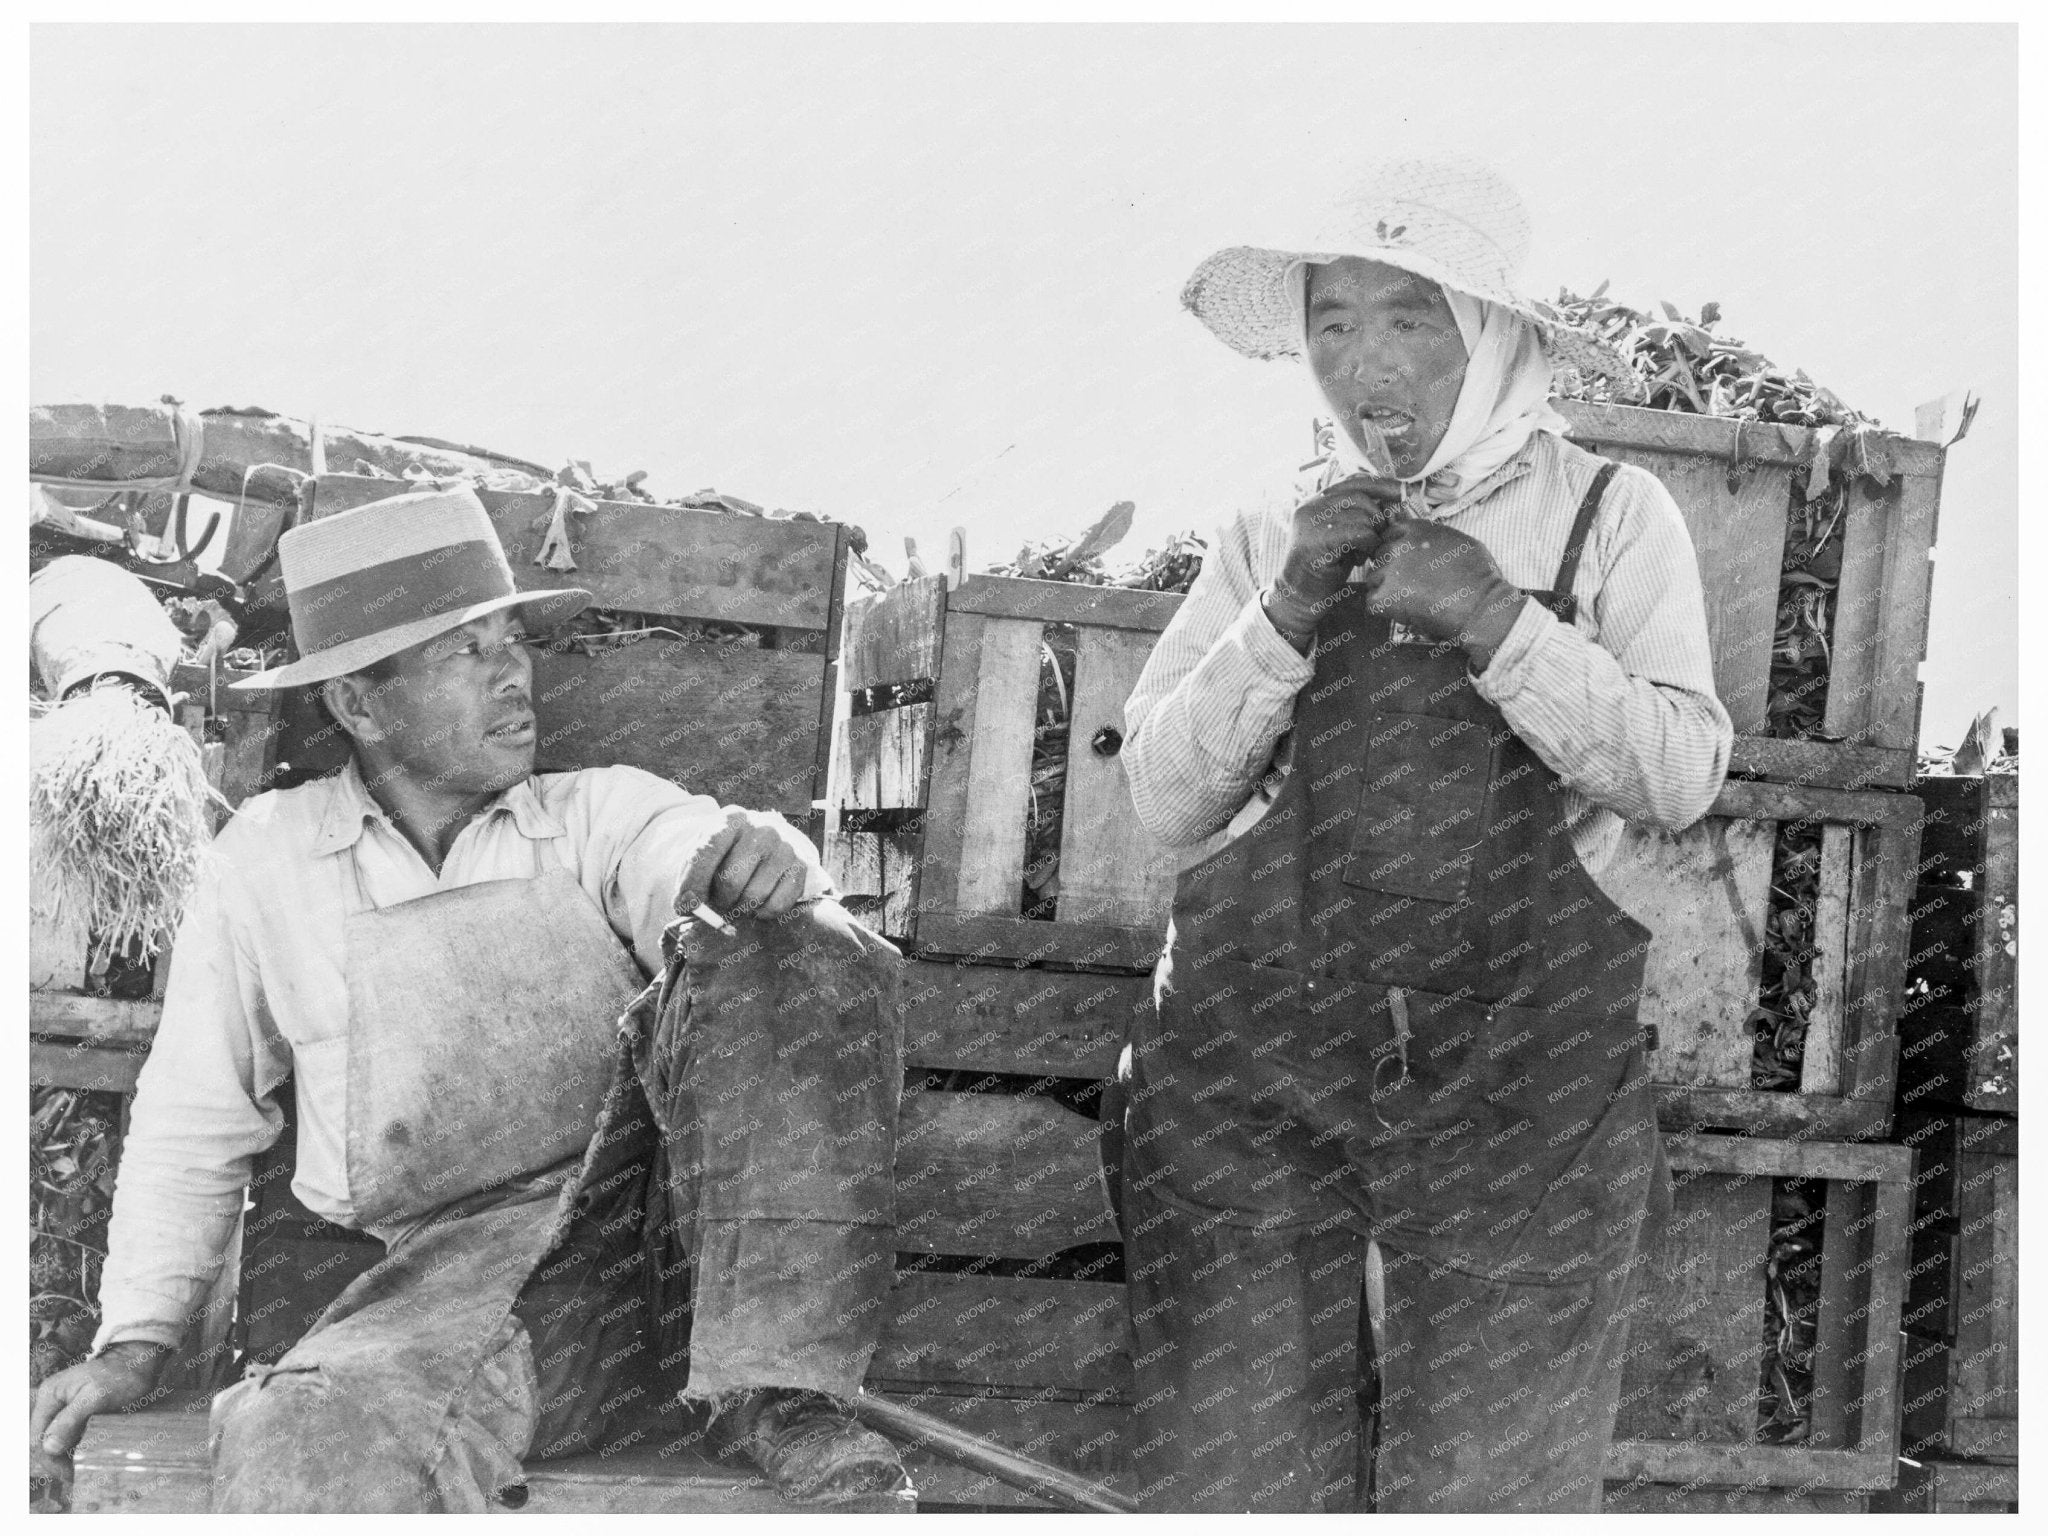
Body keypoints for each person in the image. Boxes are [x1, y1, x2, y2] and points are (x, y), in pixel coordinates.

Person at [30, 485, 909, 1510]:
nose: (511, 676)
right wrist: (134, 1348)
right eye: (463, 651)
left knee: (794, 939)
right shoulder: (268, 861)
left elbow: (688, 846)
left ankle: (773, 1388)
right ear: (359, 704)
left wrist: (764, 857)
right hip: (452, 1281)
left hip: (671, 1239)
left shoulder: (592, 814)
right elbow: (193, 1118)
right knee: (303, 1437)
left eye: (511, 643)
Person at [1116, 157, 1734, 1512]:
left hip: (1523, 1073)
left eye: (1406, 317)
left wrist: (1500, 621)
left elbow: (1682, 772)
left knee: (1489, 1486)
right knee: (1238, 1474)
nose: (1360, 360)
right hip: (1259, 1070)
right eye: (1333, 319)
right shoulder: (1269, 530)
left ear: (1491, 336)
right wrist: (1278, 613)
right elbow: (1165, 802)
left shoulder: (1609, 517)